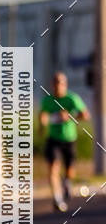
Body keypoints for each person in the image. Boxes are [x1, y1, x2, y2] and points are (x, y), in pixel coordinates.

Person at [39, 71, 90, 212]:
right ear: (51, 85)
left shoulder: (72, 99)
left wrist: (70, 115)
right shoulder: (47, 100)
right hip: (53, 139)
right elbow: (42, 114)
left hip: (69, 139)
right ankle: (57, 197)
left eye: (60, 83)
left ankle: (67, 182)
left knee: (70, 171)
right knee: (53, 168)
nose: (57, 86)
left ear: (65, 85)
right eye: (55, 83)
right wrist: (42, 124)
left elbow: (85, 115)